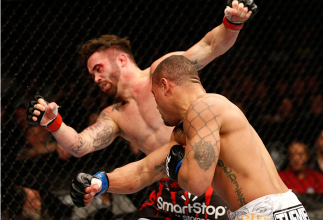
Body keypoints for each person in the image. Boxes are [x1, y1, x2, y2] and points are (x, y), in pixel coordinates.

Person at [28, 1, 258, 219]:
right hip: (168, 190)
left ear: (120, 59)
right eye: (92, 75)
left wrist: (232, 24)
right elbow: (79, 145)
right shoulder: (115, 114)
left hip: (208, 180)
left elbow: (209, 47)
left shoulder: (163, 71)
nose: (96, 78)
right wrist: (53, 123)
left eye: (98, 68)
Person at [71, 55, 310, 220]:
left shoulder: (204, 109)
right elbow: (145, 170)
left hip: (264, 212)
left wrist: (175, 166)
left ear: (165, 86)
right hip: (274, 210)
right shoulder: (189, 128)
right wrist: (101, 182)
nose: (156, 106)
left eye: (155, 96)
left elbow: (195, 183)